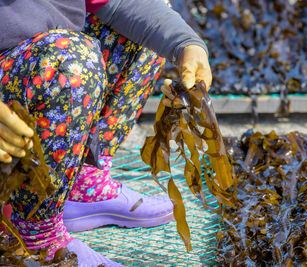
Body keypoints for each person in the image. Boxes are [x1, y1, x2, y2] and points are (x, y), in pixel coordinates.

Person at [0, 0, 212, 266]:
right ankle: (33, 236)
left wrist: (187, 44)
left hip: (36, 63)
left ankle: (82, 181)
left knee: (147, 26)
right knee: (70, 59)